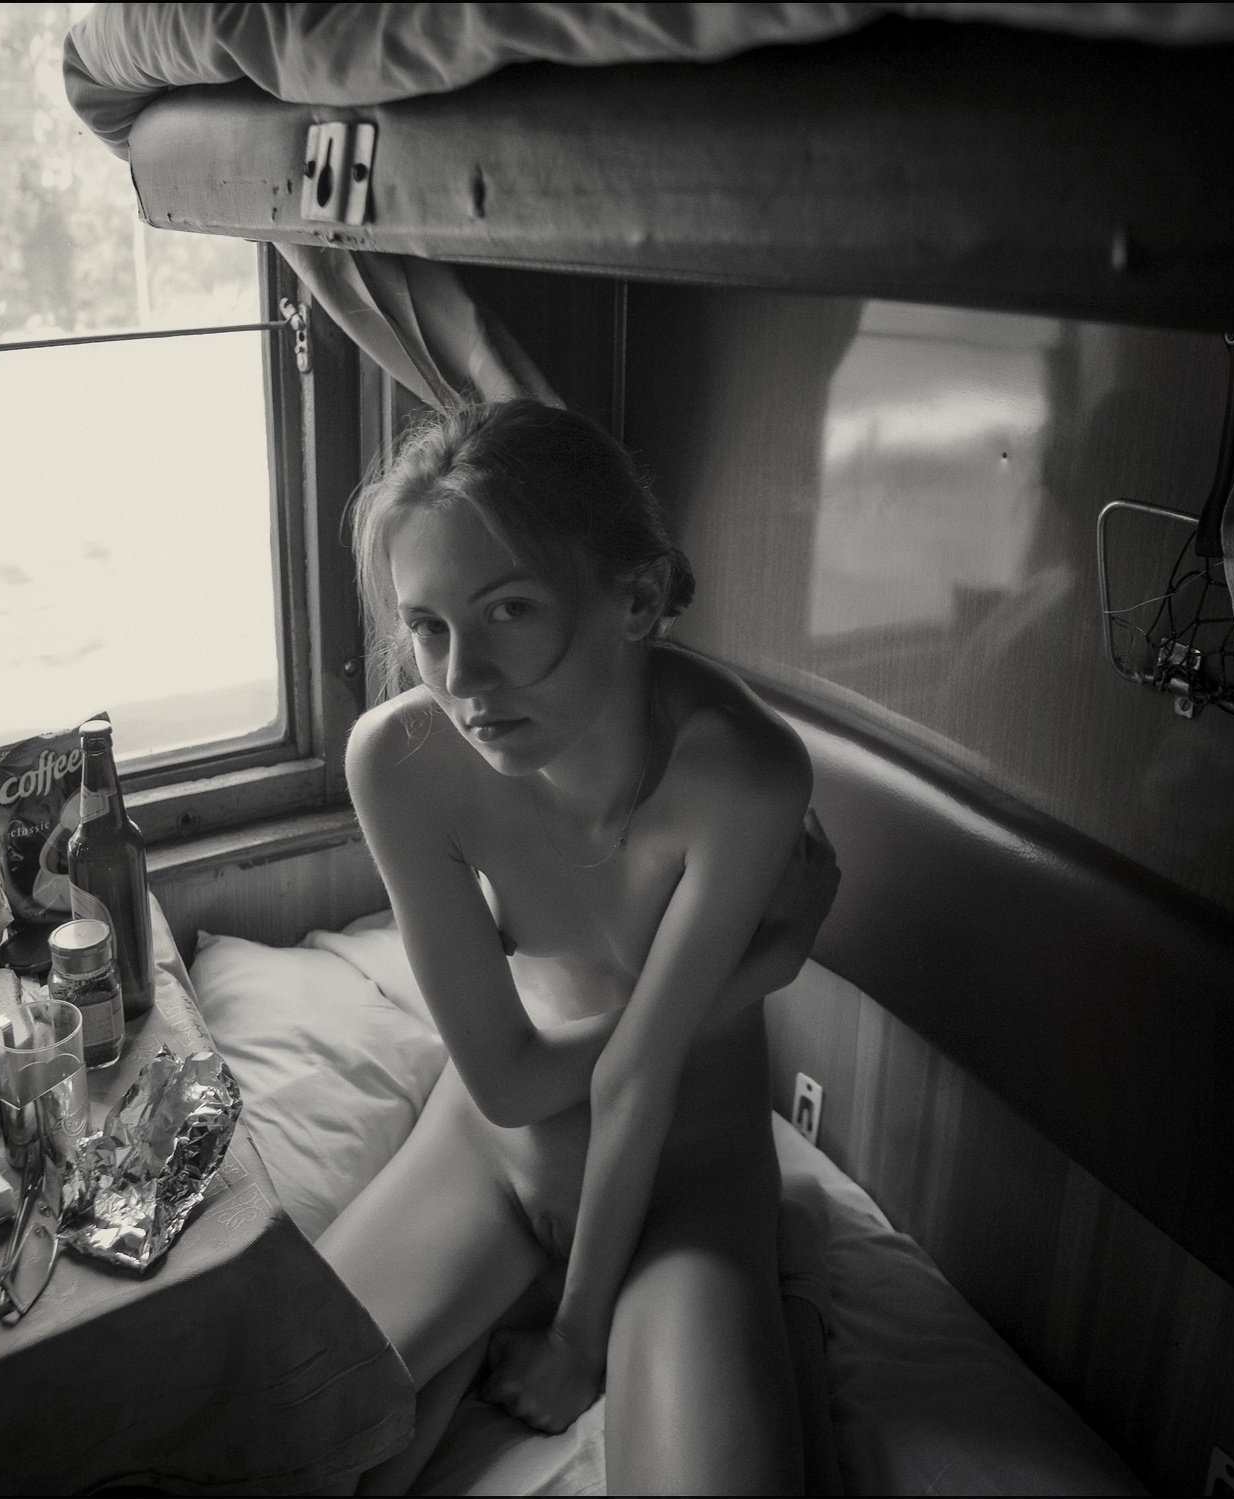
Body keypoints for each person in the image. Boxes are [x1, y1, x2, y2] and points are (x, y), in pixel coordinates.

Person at [319, 397, 841, 1495]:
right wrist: (760, 970)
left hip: (689, 1188)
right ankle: (489, 1307)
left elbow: (643, 1085)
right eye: (428, 626)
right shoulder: (399, 760)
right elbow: (508, 1082)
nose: (464, 678)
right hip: (495, 1154)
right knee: (277, 1450)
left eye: (509, 609)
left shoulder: (744, 773)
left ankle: (748, 1301)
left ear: (638, 599)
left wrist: (577, 1336)